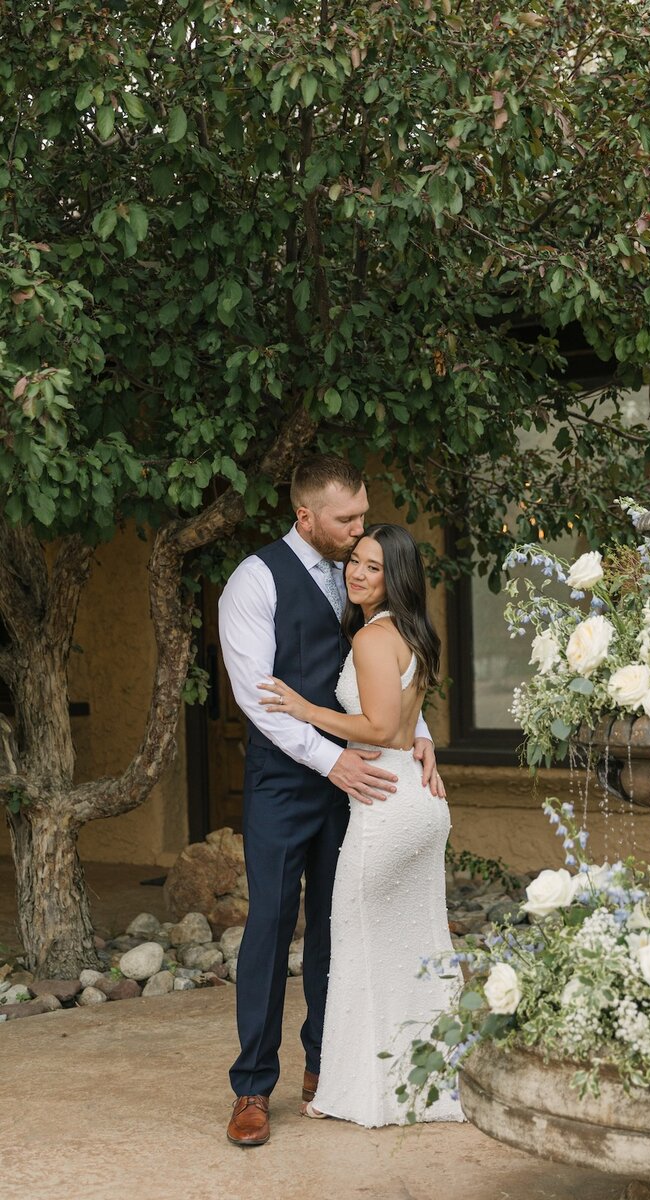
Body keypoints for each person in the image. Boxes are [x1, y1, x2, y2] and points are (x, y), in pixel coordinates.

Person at [218, 456, 444, 1147]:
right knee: (271, 923)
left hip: (365, 779)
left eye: (362, 516)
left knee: (335, 926)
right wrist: (332, 759)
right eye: (346, 520)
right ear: (305, 517)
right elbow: (261, 702)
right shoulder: (254, 583)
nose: (357, 533)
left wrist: (419, 734)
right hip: (288, 782)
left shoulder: (360, 581)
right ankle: (253, 1086)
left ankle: (327, 1065)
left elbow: (385, 667)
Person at [257, 523, 464, 1126]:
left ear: (394, 577)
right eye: (354, 561)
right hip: (415, 798)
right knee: (417, 947)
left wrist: (304, 708)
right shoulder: (413, 632)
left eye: (373, 566)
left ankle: (363, 1093)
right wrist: (419, 745)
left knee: (356, 944)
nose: (357, 573)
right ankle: (426, 1084)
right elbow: (404, 727)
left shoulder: (374, 638)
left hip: (387, 807)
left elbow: (377, 728)